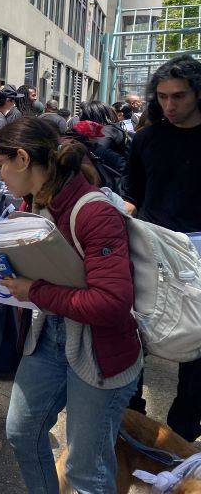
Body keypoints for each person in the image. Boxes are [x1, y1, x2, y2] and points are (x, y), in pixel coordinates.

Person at [0, 117, 141, 493]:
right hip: (48, 337)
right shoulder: (30, 206)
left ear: (23, 159)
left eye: (0, 162)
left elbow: (112, 303)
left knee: (85, 469)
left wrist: (35, 293)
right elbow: (4, 270)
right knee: (22, 433)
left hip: (101, 351)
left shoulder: (92, 213)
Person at [122, 54, 201, 443]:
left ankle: (183, 432)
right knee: (136, 334)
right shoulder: (146, 139)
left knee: (198, 345)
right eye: (163, 96)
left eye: (180, 96)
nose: (170, 105)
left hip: (197, 254)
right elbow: (132, 194)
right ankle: (129, 417)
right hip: (150, 248)